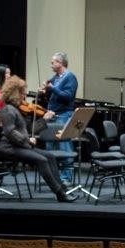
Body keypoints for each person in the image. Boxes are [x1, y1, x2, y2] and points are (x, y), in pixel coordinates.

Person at [0, 76, 77, 203]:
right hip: (8, 147)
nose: (25, 94)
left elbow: (29, 130)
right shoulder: (8, 109)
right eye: (22, 92)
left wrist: (44, 120)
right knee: (41, 160)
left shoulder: (17, 109)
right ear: (15, 93)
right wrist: (27, 140)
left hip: (19, 145)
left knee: (50, 156)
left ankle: (63, 189)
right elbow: (10, 132)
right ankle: (60, 194)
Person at [40, 52, 78, 184]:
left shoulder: (70, 77)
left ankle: (65, 178)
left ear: (60, 63)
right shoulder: (55, 78)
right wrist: (45, 90)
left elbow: (67, 96)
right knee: (50, 147)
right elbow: (52, 97)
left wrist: (52, 88)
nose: (51, 65)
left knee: (63, 146)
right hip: (51, 115)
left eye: (53, 62)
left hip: (63, 115)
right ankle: (53, 177)